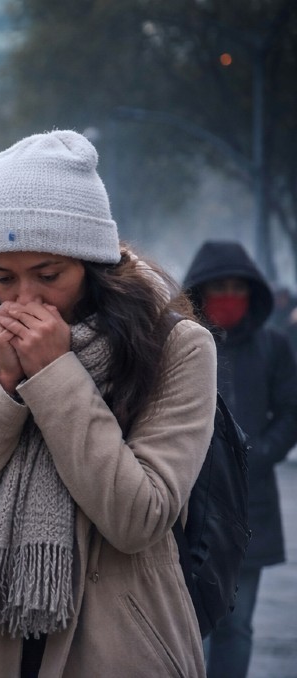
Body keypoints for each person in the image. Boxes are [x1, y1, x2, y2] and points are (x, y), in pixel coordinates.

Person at [0, 130, 217, 677]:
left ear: (93, 267)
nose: (25, 299)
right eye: (4, 278)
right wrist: (1, 384)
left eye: (49, 276)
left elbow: (139, 517)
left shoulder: (176, 347)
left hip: (120, 646)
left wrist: (52, 375)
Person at [182, 240, 297, 678]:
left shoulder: (273, 347)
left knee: (237, 626)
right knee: (186, 626)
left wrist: (258, 453)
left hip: (252, 510)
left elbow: (290, 411)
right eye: (218, 288)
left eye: (237, 287)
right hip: (188, 505)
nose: (228, 297)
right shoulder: (183, 344)